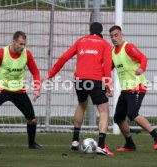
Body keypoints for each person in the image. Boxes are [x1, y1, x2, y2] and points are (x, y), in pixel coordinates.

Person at [42, 22, 114, 156]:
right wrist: (108, 84)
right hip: (95, 79)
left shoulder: (81, 41)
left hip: (80, 79)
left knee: (81, 105)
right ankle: (101, 146)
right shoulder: (105, 44)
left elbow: (64, 57)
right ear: (101, 32)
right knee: (104, 110)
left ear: (89, 30)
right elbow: (107, 65)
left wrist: (50, 74)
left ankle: (75, 141)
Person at [109, 25, 157, 152]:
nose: (114, 38)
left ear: (121, 34)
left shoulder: (128, 47)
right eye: (111, 36)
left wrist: (141, 68)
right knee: (118, 118)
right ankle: (130, 144)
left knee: (132, 113)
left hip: (137, 87)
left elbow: (143, 58)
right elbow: (109, 68)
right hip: (126, 90)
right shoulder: (112, 52)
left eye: (116, 35)